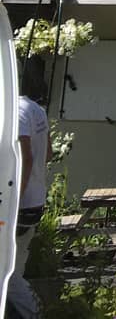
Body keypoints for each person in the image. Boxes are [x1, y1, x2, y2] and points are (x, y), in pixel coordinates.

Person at [9, 59, 48, 319]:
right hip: (36, 200)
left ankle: (33, 312)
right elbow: (49, 153)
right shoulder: (36, 109)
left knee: (6, 272)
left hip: (20, 205)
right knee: (15, 267)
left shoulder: (18, 111)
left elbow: (26, 158)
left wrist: (14, 199)